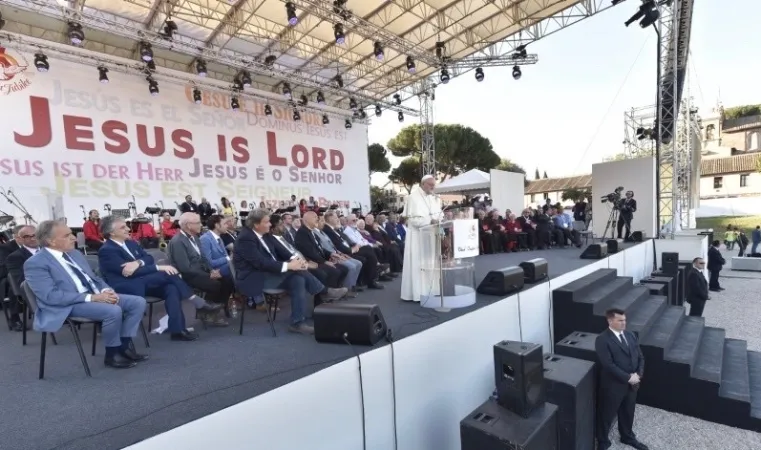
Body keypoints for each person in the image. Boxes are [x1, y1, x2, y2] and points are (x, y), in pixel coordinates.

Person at [24, 220, 148, 369]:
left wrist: (105, 290)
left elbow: (94, 278)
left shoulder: (75, 254)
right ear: (51, 241)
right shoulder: (35, 263)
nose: (74, 238)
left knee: (137, 302)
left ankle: (124, 345)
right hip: (67, 305)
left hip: (92, 296)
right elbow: (51, 296)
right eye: (67, 235)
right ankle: (112, 354)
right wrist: (92, 298)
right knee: (113, 310)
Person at [98, 215, 222, 338]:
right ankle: (196, 300)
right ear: (112, 233)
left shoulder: (130, 243)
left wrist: (138, 262)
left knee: (171, 288)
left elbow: (149, 258)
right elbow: (128, 273)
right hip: (127, 285)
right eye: (122, 227)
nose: (128, 229)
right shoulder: (107, 250)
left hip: (145, 281)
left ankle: (177, 330)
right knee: (167, 273)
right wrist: (158, 267)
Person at [233, 209, 326, 335]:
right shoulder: (245, 239)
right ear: (256, 224)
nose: (270, 224)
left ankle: (297, 323)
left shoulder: (265, 234)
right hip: (253, 278)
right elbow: (260, 263)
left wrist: (298, 261)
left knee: (297, 279)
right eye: (267, 222)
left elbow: (283, 251)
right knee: (295, 272)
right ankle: (323, 292)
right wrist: (289, 266)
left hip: (269, 273)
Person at [595, 308, 648, 450]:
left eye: (625, 320)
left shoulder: (630, 335)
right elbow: (608, 365)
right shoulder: (602, 339)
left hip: (632, 384)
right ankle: (603, 441)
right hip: (613, 386)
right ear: (610, 321)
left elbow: (640, 357)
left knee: (628, 411)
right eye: (620, 320)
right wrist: (628, 377)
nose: (624, 323)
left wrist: (638, 375)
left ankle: (627, 437)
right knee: (606, 414)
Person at [167, 213, 236, 308]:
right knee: (215, 284)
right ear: (189, 225)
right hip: (189, 275)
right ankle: (206, 310)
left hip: (200, 271)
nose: (201, 225)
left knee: (228, 280)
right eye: (198, 223)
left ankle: (217, 306)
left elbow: (204, 258)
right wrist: (209, 274)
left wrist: (211, 270)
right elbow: (186, 268)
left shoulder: (195, 237)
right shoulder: (178, 241)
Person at [400, 175, 443, 302]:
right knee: (418, 265)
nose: (433, 187)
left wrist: (439, 223)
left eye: (434, 185)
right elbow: (412, 219)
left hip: (432, 236)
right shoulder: (413, 197)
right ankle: (418, 293)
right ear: (423, 184)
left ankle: (432, 290)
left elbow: (440, 215)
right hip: (417, 237)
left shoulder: (434, 197)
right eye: (430, 185)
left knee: (431, 264)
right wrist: (430, 220)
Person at [295, 211, 348, 289]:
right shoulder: (302, 233)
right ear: (306, 220)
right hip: (312, 262)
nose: (317, 219)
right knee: (334, 271)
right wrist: (325, 262)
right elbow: (310, 252)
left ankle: (337, 290)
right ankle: (328, 295)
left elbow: (319, 248)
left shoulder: (311, 231)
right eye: (315, 217)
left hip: (319, 259)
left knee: (344, 268)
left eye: (317, 217)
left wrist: (331, 254)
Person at [4, 225, 38, 331]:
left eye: (35, 235)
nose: (32, 238)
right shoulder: (9, 251)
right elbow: (20, 277)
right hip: (8, 275)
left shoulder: (48, 250)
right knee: (11, 286)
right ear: (19, 238)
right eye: (27, 236)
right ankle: (14, 317)